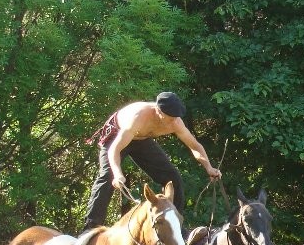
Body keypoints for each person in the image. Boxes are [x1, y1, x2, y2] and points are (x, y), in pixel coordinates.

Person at [83, 92, 222, 232]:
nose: (174, 120)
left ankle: (176, 227)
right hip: (117, 137)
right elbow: (114, 150)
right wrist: (118, 174)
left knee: (172, 177)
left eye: (176, 117)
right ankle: (90, 228)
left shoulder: (176, 123)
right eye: (171, 117)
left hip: (141, 140)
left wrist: (208, 167)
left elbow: (195, 146)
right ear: (159, 111)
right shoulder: (138, 117)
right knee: (107, 176)